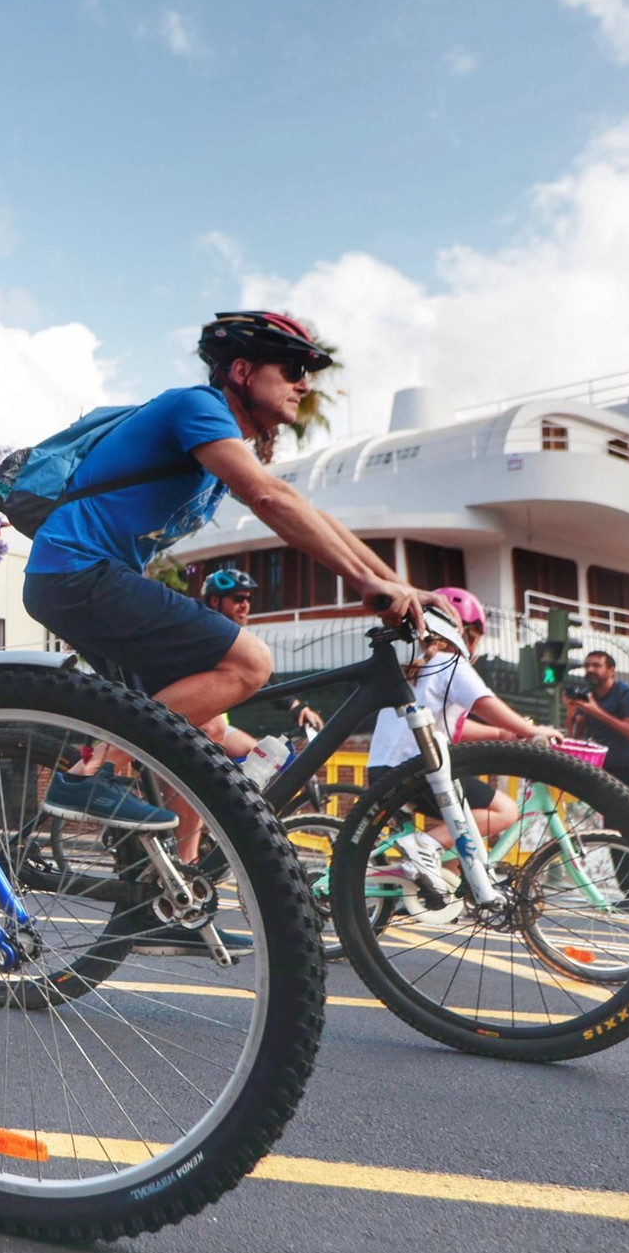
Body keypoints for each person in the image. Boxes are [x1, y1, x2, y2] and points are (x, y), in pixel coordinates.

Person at [21, 310, 436, 955]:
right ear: (241, 370)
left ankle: (168, 899)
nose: (304, 385)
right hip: (76, 573)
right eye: (292, 370)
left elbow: (304, 509)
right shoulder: (196, 407)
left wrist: (396, 583)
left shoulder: (218, 444)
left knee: (206, 733)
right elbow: (270, 498)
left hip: (86, 579)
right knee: (247, 663)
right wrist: (365, 585)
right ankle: (92, 772)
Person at [362, 587, 562, 919]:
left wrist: (502, 734)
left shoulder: (416, 668)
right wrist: (531, 731)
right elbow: (485, 703)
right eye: (477, 637)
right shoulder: (449, 662)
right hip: (418, 769)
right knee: (504, 810)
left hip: (386, 770)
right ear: (465, 632)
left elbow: (449, 726)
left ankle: (438, 890)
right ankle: (423, 847)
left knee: (460, 821)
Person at [195, 567, 322, 760]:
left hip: (216, 725)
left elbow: (263, 676)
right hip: (196, 724)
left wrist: (295, 705)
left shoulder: (226, 638)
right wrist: (293, 706)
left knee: (263, 758)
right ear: (214, 600)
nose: (245, 605)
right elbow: (258, 675)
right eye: (238, 599)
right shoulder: (208, 634)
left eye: (248, 599)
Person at [569, 650, 629, 800]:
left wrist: (596, 712)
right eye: (587, 665)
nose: (590, 670)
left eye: (597, 665)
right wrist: (571, 712)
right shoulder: (587, 694)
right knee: (610, 820)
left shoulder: (628, 694)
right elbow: (574, 738)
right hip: (611, 771)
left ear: (611, 670)